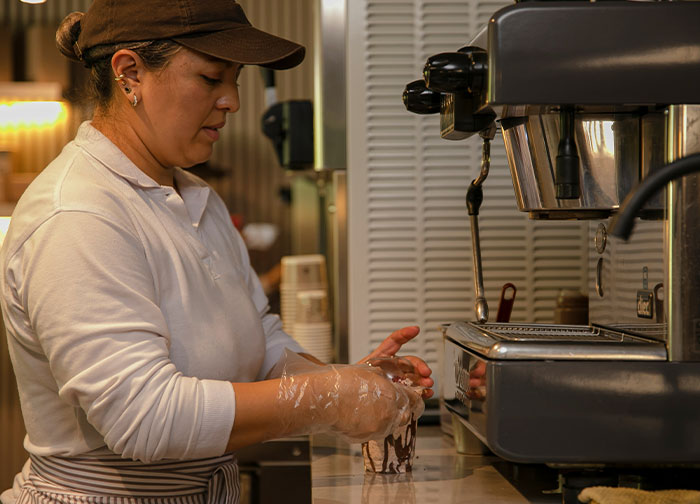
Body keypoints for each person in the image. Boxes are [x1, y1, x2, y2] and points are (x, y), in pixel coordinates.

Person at [0, 1, 434, 503]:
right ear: (129, 73)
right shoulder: (78, 215)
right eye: (211, 79)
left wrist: (346, 381)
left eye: (236, 80)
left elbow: (261, 342)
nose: (232, 101)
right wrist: (327, 399)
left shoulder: (196, 197)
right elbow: (145, 419)